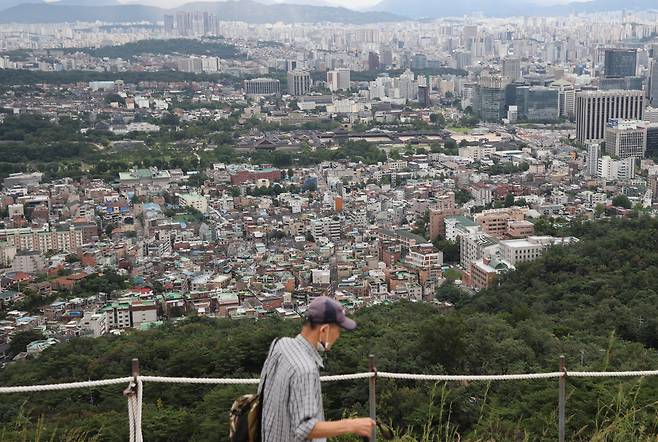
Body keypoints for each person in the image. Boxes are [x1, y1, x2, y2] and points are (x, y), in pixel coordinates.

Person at [258, 296, 375, 442]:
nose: (338, 335)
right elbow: (304, 428)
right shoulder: (305, 369)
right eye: (338, 330)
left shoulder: (281, 345)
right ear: (324, 330)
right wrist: (352, 425)